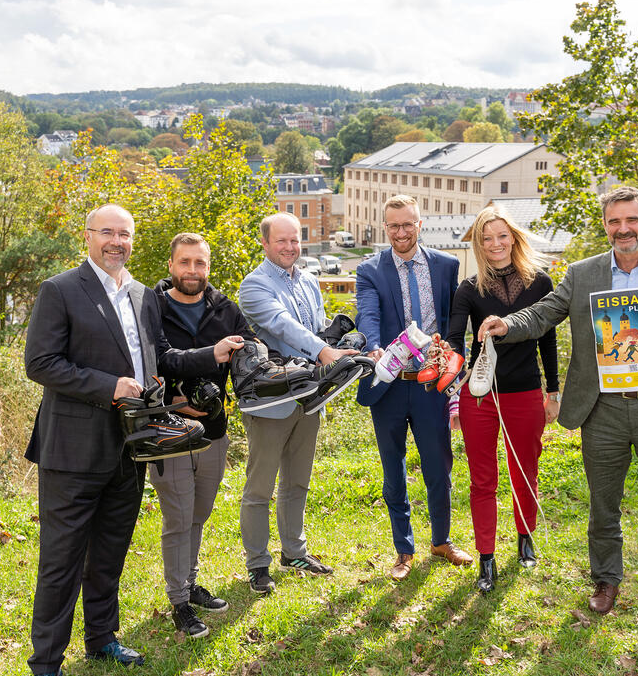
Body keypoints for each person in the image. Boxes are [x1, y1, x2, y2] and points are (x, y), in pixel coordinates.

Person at [479, 186, 638, 622]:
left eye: (632, 220)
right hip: (604, 411)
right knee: (603, 506)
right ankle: (606, 581)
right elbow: (542, 313)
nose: (623, 229)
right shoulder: (582, 274)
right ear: (605, 225)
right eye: (614, 221)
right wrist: (507, 323)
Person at [23, 205, 242, 676]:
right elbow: (40, 362)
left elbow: (161, 357)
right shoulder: (60, 290)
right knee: (61, 562)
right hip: (72, 451)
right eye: (107, 232)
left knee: (110, 552)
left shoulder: (144, 295)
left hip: (132, 447)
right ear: (88, 237)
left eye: (124, 233)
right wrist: (110, 387)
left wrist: (213, 353)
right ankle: (46, 668)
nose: (116, 241)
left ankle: (102, 639)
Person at [354, 194, 473, 582]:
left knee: (439, 465)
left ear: (420, 224)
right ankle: (403, 550)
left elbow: (455, 321)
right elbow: (368, 313)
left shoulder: (445, 265)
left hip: (431, 385)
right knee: (394, 470)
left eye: (408, 225)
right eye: (394, 226)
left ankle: (441, 540)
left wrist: (455, 365)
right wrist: (374, 346)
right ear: (384, 227)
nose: (401, 232)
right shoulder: (370, 269)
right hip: (389, 384)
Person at [235, 212, 354, 594]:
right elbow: (283, 325)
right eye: (281, 241)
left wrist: (340, 345)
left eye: (295, 240)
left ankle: (294, 552)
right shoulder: (254, 286)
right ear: (266, 244)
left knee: (297, 480)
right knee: (259, 487)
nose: (289, 247)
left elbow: (317, 327)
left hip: (309, 396)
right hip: (272, 401)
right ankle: (257, 564)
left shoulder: (308, 280)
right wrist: (323, 350)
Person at [446, 206, 561, 593]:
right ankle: (486, 558)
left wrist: (553, 390)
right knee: (483, 480)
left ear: (513, 237)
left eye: (501, 236)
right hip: (478, 397)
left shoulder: (540, 283)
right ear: (478, 245)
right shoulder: (469, 288)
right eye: (486, 238)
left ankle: (525, 536)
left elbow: (547, 337)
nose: (495, 244)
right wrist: (447, 366)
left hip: (525, 391)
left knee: (524, 470)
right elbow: (454, 339)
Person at [151, 232, 255, 639]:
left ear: (208, 267)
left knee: (199, 513)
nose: (192, 271)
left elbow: (251, 352)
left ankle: (190, 583)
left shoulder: (225, 309)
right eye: (185, 262)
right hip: (168, 431)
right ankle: (178, 601)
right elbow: (155, 357)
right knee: (178, 516)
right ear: (172, 265)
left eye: (200, 263)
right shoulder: (152, 307)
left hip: (214, 430)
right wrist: (175, 398)